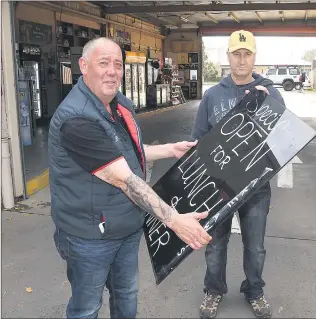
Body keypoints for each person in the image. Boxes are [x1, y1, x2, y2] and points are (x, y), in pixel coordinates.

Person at [48, 37, 212, 319]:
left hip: (125, 226)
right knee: (86, 308)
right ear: (83, 67)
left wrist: (170, 150)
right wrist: (174, 220)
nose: (112, 71)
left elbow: (127, 154)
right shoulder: (76, 119)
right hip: (90, 236)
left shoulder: (119, 104)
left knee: (126, 297)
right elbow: (124, 178)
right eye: (104, 63)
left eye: (118, 64)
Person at [191, 30, 285, 319]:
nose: (242, 60)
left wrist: (270, 107)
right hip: (218, 187)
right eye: (236, 54)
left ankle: (254, 291)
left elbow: (282, 138)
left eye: (247, 54)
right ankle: (213, 290)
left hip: (255, 188)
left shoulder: (271, 92)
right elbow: (199, 139)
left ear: (255, 57)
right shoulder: (212, 95)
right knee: (215, 245)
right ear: (229, 57)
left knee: (255, 247)